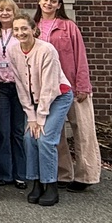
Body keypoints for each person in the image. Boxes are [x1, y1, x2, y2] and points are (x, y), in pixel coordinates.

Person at [35, 0, 102, 192]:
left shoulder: (68, 27)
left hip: (72, 86)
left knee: (83, 130)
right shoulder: (34, 26)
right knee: (56, 133)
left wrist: (83, 85)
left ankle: (86, 175)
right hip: (48, 89)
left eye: (53, 1)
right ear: (39, 2)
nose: (48, 3)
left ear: (59, 5)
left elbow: (80, 56)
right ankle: (63, 173)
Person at [9, 11, 73, 207]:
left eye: (24, 28)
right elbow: (21, 87)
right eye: (16, 29)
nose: (20, 33)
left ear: (33, 29)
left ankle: (50, 185)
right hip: (35, 101)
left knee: (45, 138)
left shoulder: (46, 50)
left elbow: (49, 87)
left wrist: (40, 118)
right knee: (29, 138)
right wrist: (31, 116)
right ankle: (36, 182)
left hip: (58, 97)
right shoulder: (13, 51)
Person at [0, 0, 26, 189]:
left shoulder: (20, 32)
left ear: (14, 12)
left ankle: (21, 174)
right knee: (2, 131)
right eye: (0, 10)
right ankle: (4, 172)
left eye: (8, 10)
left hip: (19, 87)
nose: (4, 13)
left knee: (18, 131)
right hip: (1, 87)